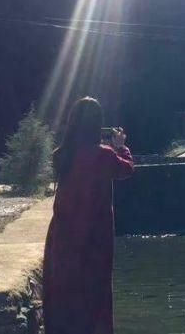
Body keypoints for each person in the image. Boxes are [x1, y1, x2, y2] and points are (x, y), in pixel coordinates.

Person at [43, 97, 134, 334]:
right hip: (95, 237)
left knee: (64, 292)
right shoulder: (104, 155)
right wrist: (121, 145)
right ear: (97, 125)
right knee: (96, 293)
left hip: (63, 235)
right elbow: (126, 169)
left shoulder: (61, 154)